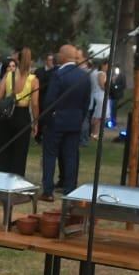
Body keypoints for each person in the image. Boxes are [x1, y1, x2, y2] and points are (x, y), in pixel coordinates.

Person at [39, 44, 92, 200]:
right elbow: (86, 102)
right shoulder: (84, 76)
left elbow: (50, 101)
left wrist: (46, 120)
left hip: (56, 121)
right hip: (74, 122)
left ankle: (48, 191)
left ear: (63, 56)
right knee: (70, 156)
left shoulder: (58, 74)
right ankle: (70, 190)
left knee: (50, 155)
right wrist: (79, 119)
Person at [0, 47, 38, 177]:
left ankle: (0, 180)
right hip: (22, 116)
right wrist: (35, 122)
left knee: (3, 151)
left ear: (17, 60)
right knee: (20, 153)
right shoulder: (33, 80)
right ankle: (15, 182)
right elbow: (34, 104)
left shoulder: (8, 75)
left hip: (6, 116)